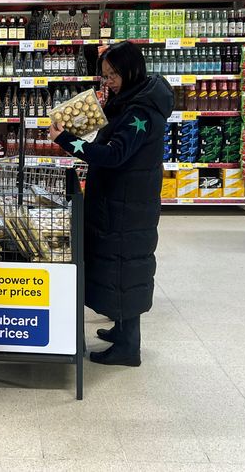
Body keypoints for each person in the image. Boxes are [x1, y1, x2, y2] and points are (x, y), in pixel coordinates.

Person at [49, 41, 173, 366]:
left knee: (125, 267)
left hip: (128, 204)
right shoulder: (131, 97)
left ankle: (129, 348)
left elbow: (114, 155)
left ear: (132, 69)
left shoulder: (141, 111)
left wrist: (66, 139)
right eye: (105, 76)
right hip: (119, 198)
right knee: (118, 265)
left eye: (114, 74)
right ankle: (121, 329)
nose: (109, 81)